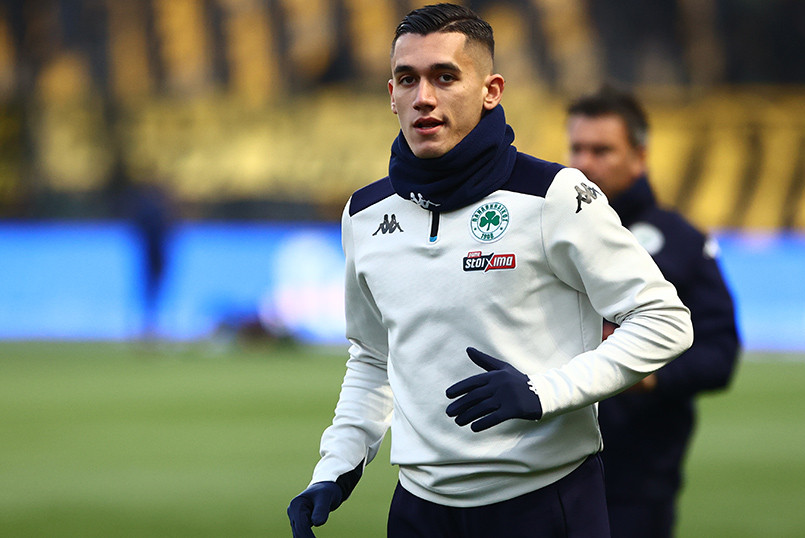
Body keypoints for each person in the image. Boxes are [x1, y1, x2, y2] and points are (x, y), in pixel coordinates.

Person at [288, 5, 693, 537]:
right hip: (419, 512)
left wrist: (544, 392)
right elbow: (373, 358)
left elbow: (665, 321)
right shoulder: (364, 216)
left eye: (445, 77)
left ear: (491, 91)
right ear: (391, 94)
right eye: (408, 79)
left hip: (545, 501)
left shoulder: (555, 196)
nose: (423, 97)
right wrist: (335, 468)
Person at [566, 86, 740, 537]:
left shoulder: (681, 242)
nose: (584, 163)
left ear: (639, 157)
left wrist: (649, 375)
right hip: (545, 470)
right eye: (577, 149)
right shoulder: (547, 232)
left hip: (636, 480)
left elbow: (720, 353)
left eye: (602, 150)